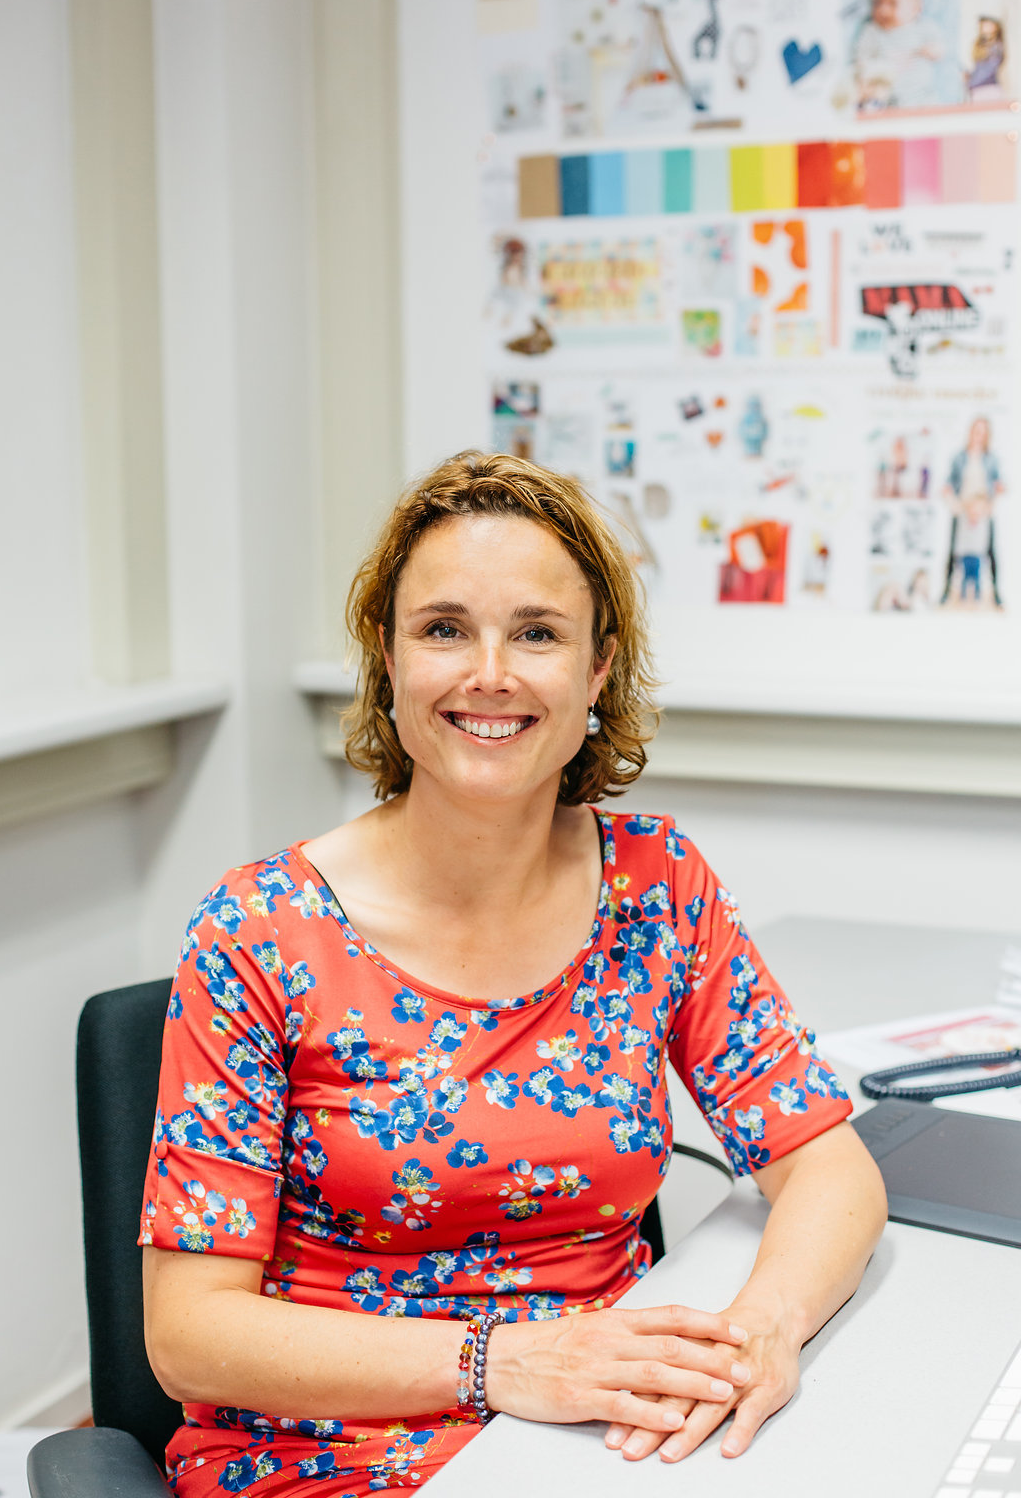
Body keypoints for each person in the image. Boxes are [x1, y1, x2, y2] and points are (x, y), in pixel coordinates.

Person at [140, 452, 887, 1496]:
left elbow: (825, 1164)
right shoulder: (258, 930)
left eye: (537, 633)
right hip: (329, 1453)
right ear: (388, 660)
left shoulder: (657, 883)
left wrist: (764, 1328)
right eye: (444, 629)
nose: (489, 672)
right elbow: (188, 1334)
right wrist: (504, 1364)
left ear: (596, 671)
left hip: (600, 1442)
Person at [853, 0, 944, 112]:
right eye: (878, 2)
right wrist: (875, 68)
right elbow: (861, 59)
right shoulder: (872, 31)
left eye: (892, 3)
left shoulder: (923, 27)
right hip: (886, 100)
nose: (883, 9)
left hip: (922, 97)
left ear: (916, 8)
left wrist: (931, 50)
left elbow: (939, 51)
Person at [940, 416, 1005, 607]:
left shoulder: (991, 459)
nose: (979, 435)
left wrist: (992, 499)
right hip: (962, 510)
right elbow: (949, 483)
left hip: (983, 510)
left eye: (983, 432)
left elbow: (998, 482)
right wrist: (952, 500)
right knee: (953, 552)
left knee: (990, 552)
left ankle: (996, 593)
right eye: (977, 431)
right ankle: (946, 592)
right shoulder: (959, 457)